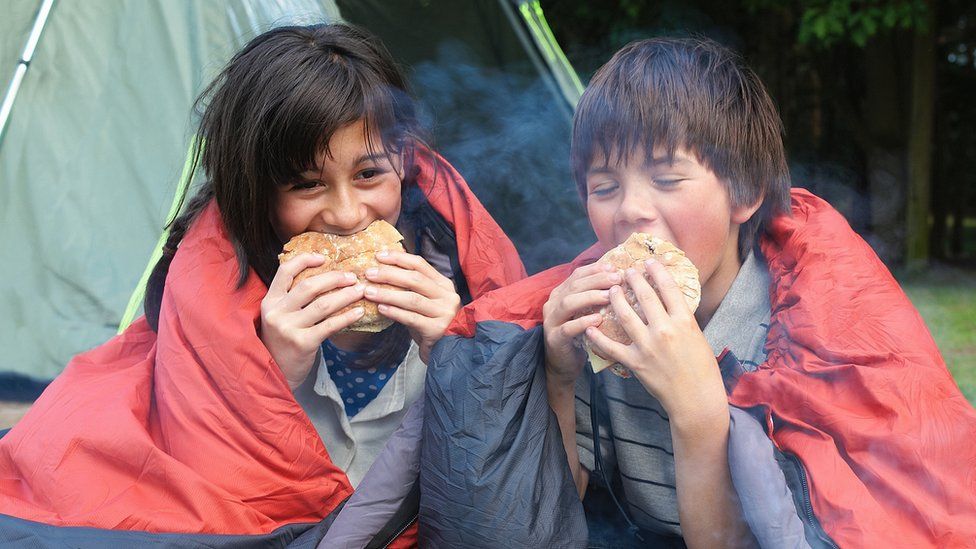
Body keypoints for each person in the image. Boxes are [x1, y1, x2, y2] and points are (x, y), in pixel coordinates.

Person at [417, 37, 976, 548]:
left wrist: (698, 409)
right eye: (604, 187)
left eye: (666, 179)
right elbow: (560, 516)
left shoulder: (791, 337)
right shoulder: (598, 324)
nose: (631, 210)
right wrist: (557, 375)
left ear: (745, 193)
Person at [0, 23, 525, 547]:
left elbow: (521, 500)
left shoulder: (462, 298)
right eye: (306, 184)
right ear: (257, 196)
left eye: (369, 175)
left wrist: (462, 364)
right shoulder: (212, 324)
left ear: (404, 168)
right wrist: (265, 378)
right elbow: (188, 495)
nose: (346, 215)